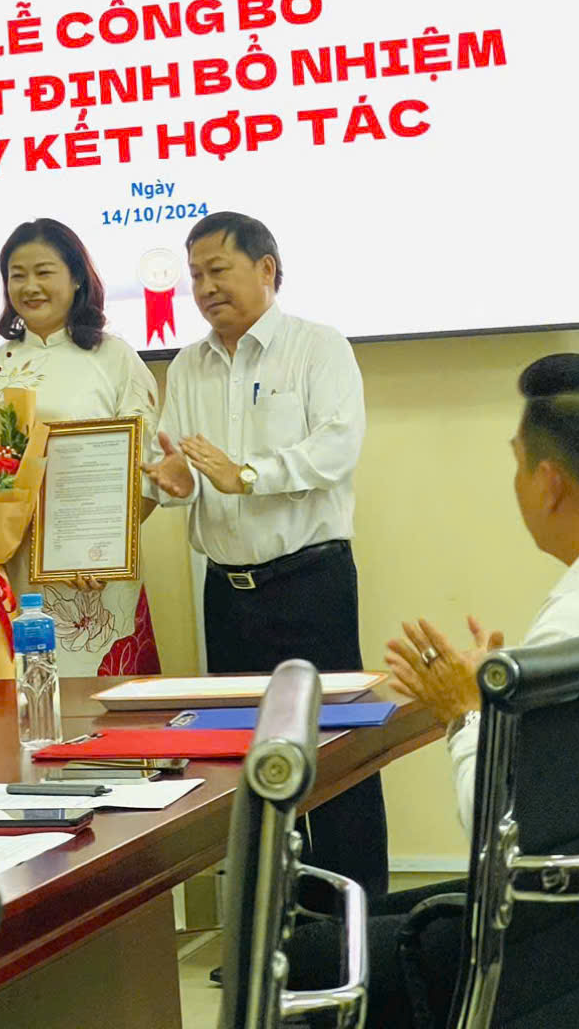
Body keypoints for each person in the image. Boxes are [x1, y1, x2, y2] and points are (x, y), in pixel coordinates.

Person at [286, 353, 579, 1024]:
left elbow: (499, 829)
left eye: (517, 462)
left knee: (300, 954)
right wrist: (499, 703)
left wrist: (463, 714)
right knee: (361, 915)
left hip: (562, 954)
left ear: (550, 483)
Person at [142, 210, 388, 897]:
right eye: (195, 276)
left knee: (335, 753)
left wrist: (245, 474)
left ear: (267, 269)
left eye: (217, 270)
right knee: (245, 761)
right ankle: (268, 924)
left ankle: (357, 921)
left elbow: (336, 448)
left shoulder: (317, 347)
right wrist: (175, 482)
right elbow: (182, 464)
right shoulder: (187, 364)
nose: (204, 288)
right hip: (226, 592)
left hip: (309, 581)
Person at [0, 219, 162, 675]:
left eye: (44, 272)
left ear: (76, 278)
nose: (30, 286)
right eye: (17, 275)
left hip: (97, 573)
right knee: (24, 698)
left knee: (103, 703)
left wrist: (102, 549)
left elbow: (145, 469)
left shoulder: (115, 358)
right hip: (16, 569)